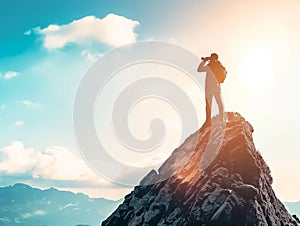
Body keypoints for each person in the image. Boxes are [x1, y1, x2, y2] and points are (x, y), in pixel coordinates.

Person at [197, 53, 224, 123]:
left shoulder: (210, 66)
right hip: (216, 87)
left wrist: (205, 60)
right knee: (219, 102)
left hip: (209, 87)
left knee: (209, 104)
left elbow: (199, 69)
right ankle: (222, 117)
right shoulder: (219, 65)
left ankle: (208, 120)